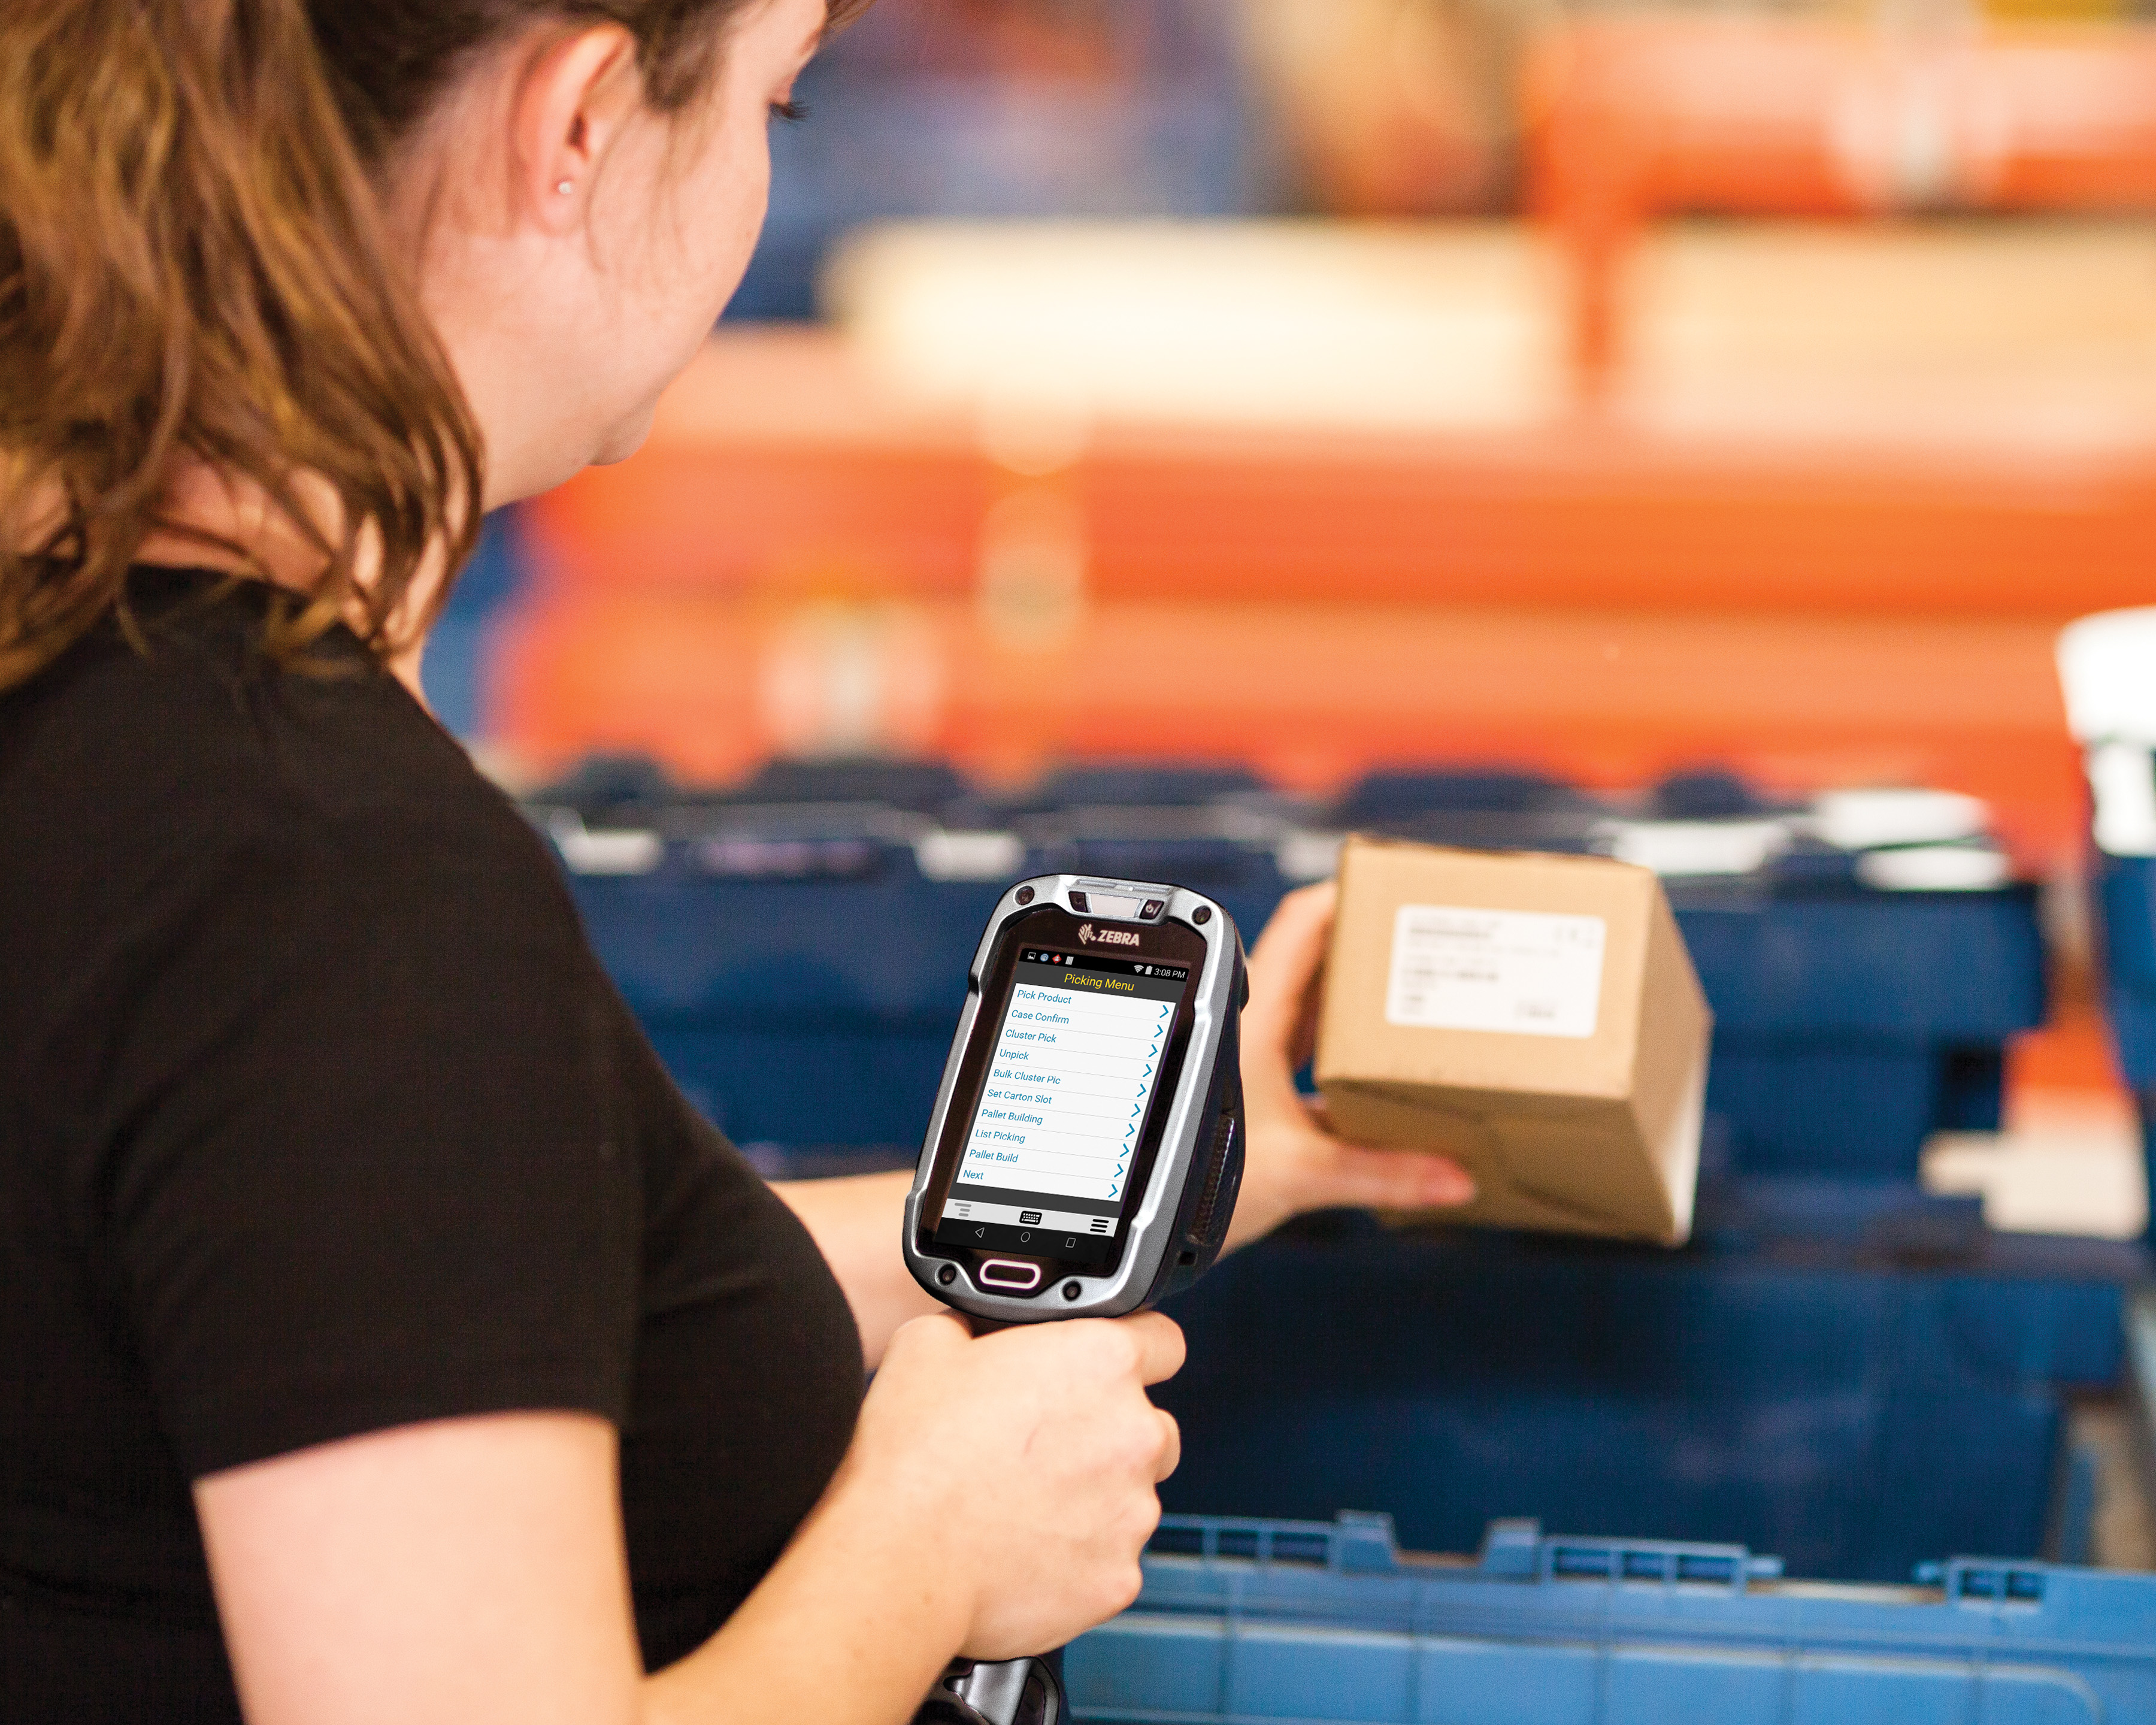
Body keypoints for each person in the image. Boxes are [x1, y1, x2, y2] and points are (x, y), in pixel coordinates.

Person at [0, 2, 1477, 1721]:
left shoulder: (96, 694)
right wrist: (926, 1549)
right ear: (580, 122)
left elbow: (369, 1283)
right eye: (779, 100)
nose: (771, 169)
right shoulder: (334, 883)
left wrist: (1204, 1174)